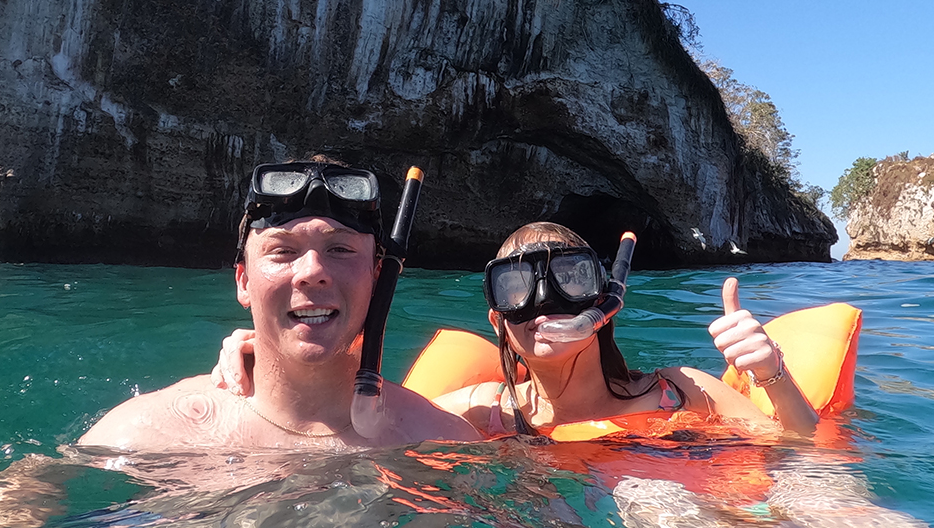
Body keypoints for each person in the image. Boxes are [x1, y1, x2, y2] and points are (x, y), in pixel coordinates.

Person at [213, 222, 818, 437]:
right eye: (516, 289)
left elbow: (801, 451)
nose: (544, 306)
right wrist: (271, 354)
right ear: (497, 322)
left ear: (607, 300)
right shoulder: (482, 412)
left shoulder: (679, 389)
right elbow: (353, 426)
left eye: (571, 280)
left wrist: (773, 373)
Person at [79, 158, 479, 451]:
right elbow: (27, 510)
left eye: (339, 249)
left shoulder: (444, 445)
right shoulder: (149, 435)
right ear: (243, 281)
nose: (312, 271)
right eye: (283, 251)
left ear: (379, 278)